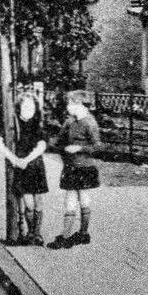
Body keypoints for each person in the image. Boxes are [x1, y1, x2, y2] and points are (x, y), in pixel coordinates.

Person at [0, 91, 50, 245]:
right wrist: (14, 159)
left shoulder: (38, 122)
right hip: (20, 165)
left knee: (38, 202)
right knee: (28, 203)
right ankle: (31, 232)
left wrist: (27, 159)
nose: (29, 109)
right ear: (19, 107)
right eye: (25, 106)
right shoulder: (12, 123)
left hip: (35, 165)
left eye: (31, 106)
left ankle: (36, 234)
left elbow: (42, 145)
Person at [47, 89, 102, 249]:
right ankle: (68, 235)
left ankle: (81, 233)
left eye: (71, 104)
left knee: (82, 199)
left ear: (80, 105)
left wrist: (79, 148)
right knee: (70, 200)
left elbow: (97, 147)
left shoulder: (90, 122)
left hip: (84, 168)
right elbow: (59, 139)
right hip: (70, 167)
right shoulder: (70, 122)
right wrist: (51, 143)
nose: (68, 107)